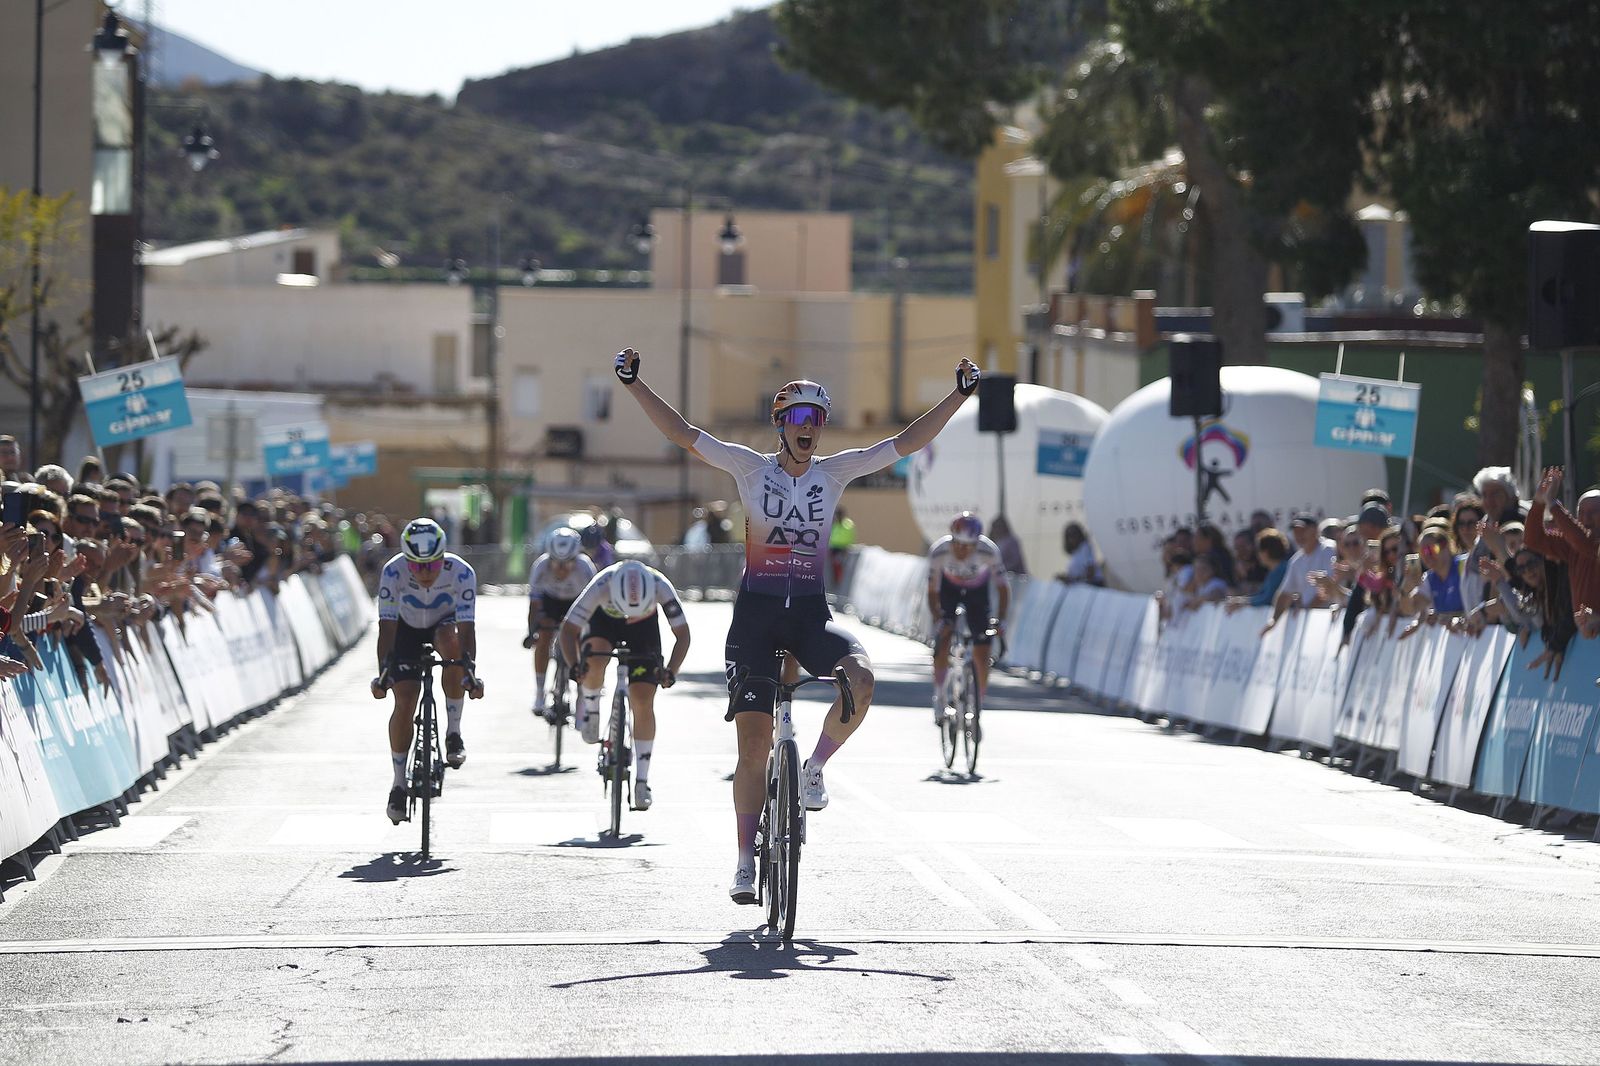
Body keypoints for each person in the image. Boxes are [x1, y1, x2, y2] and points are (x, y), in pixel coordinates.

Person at [614, 345, 978, 904]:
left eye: (817, 419)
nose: (810, 428)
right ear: (782, 425)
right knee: (754, 746)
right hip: (756, 620)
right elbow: (684, 433)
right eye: (800, 418)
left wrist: (957, 396)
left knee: (861, 677)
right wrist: (635, 384)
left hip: (810, 616)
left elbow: (905, 443)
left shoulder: (834, 474)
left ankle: (813, 767)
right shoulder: (749, 468)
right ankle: (741, 862)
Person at [370, 518, 484, 825]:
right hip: (405, 628)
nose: (423, 573)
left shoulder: (461, 572)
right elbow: (386, 628)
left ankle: (454, 732)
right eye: (416, 565)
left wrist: (468, 670)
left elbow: (467, 628)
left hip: (443, 624)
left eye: (431, 565)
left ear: (442, 557)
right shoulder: (393, 572)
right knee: (404, 700)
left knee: (451, 644)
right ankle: (397, 783)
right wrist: (385, 673)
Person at [558, 558, 691, 813]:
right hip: (603, 623)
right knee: (593, 662)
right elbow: (568, 630)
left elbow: (683, 634)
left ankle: (642, 781)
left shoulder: (659, 584)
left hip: (643, 630)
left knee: (642, 701)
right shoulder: (602, 583)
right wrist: (575, 665)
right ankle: (592, 707)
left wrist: (671, 671)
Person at [925, 512, 1010, 725]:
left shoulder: (989, 551)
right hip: (948, 590)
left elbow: (1002, 588)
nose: (962, 551)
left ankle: (977, 705)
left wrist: (1000, 620)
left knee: (983, 649)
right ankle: (940, 697)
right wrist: (939, 618)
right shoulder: (939, 551)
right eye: (958, 545)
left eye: (968, 546)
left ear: (977, 544)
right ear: (951, 540)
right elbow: (932, 591)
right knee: (944, 638)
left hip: (976, 592)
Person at [523, 526, 597, 718]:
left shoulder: (585, 567)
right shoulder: (541, 567)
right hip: (551, 603)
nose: (562, 569)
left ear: (576, 558)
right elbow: (534, 605)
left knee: (582, 641)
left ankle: (582, 694)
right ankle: (539, 691)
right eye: (556, 563)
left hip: (577, 603)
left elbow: (594, 607)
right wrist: (533, 631)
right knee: (544, 636)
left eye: (568, 563)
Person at [1261, 513, 1336, 634]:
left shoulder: (1329, 550)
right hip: (1311, 621)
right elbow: (1284, 594)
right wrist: (1274, 620)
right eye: (1296, 532)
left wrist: (1306, 610)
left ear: (1315, 530)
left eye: (1303, 530)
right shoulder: (1296, 561)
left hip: (1330, 621)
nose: (1299, 536)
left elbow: (1329, 587)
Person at [1056, 522, 1103, 586]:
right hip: (1081, 588)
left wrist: (1073, 579)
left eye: (1074, 535)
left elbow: (1090, 573)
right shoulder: (1075, 552)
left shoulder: (1086, 548)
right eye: (1069, 537)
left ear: (1079, 535)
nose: (1071, 540)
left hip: (1094, 586)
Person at [829, 506, 857, 587]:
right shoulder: (834, 524)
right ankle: (835, 580)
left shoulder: (848, 524)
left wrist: (848, 546)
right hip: (834, 547)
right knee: (834, 564)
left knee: (839, 563)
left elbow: (851, 535)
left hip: (843, 548)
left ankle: (838, 581)